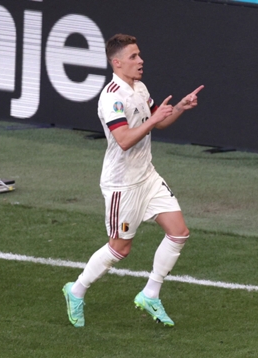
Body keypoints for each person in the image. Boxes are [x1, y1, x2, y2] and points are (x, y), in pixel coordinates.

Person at [62, 33, 204, 328]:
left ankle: (150, 293)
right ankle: (76, 290)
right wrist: (153, 120)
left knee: (179, 233)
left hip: (147, 176)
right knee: (120, 249)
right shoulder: (112, 97)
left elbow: (158, 121)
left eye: (139, 55)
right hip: (122, 184)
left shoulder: (139, 87)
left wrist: (179, 107)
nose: (140, 61)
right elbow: (124, 139)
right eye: (133, 57)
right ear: (117, 63)